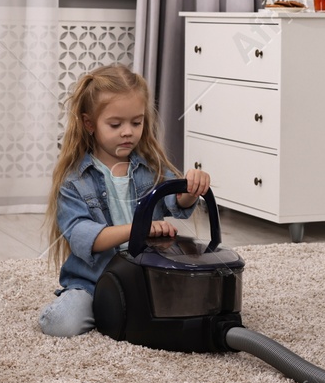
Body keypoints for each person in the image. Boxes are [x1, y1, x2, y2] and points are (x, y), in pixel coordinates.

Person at [38, 63, 210, 337]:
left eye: (136, 122)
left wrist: (191, 188)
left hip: (146, 277)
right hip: (94, 281)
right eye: (115, 124)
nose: (128, 132)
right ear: (89, 124)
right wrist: (138, 229)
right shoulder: (74, 181)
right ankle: (103, 308)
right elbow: (84, 237)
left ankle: (119, 312)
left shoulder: (150, 167)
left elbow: (178, 204)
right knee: (61, 324)